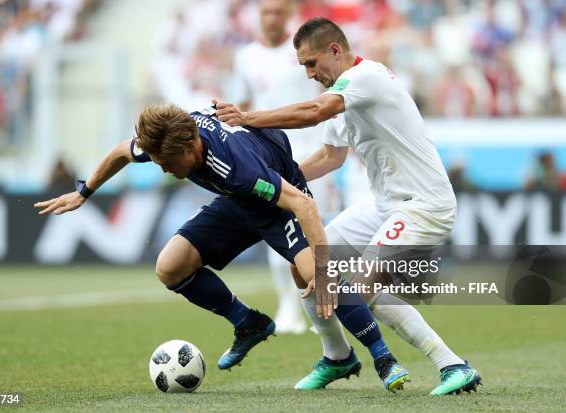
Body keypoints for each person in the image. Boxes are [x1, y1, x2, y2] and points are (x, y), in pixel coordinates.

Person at [34, 103, 411, 392]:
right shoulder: (168, 137)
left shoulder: (235, 167)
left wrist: (327, 272)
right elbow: (121, 151)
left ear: (191, 146)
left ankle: (384, 359)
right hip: (236, 203)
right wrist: (85, 192)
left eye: (168, 163)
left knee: (317, 275)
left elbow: (302, 204)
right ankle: (248, 323)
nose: (164, 169)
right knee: (169, 267)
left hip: (278, 202)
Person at [215, 17, 481, 395]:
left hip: (424, 205)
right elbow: (329, 157)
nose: (308, 73)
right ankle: (337, 356)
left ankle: (452, 365)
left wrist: (246, 119)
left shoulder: (366, 78)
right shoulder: (343, 90)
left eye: (311, 63)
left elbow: (313, 113)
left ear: (335, 50)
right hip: (384, 205)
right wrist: (275, 187)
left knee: (360, 288)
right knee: (305, 263)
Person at [230, 0, 338, 335]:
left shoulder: (303, 53)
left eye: (278, 12)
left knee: (318, 227)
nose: (272, 18)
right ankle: (288, 305)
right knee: (278, 228)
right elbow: (242, 105)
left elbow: (329, 91)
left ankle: (329, 299)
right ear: (258, 16)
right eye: (266, 12)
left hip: (312, 152)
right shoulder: (245, 57)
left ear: (288, 15)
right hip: (267, 154)